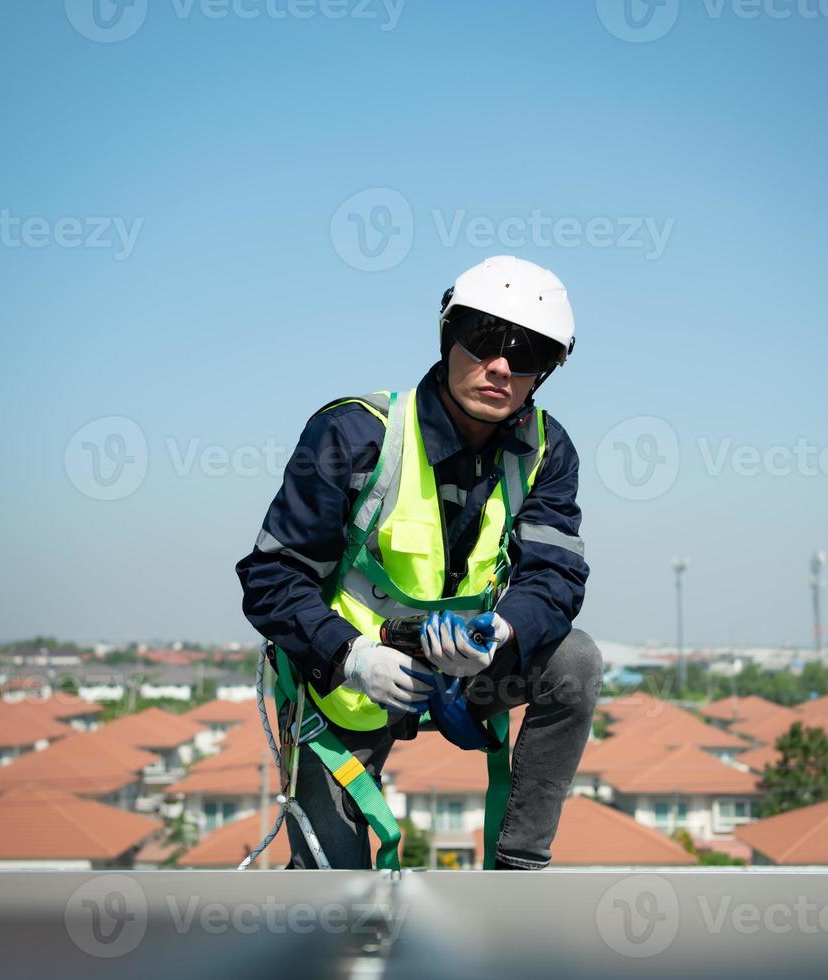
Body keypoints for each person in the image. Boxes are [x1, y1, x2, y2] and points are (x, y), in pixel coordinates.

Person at [235, 255, 601, 870]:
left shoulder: (544, 448)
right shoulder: (354, 435)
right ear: (447, 334)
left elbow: (554, 575)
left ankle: (519, 870)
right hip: (347, 679)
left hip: (468, 662)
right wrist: (350, 657)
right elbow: (273, 577)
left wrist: (500, 634)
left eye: (531, 351)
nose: (503, 366)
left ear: (547, 370)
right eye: (485, 338)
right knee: (332, 896)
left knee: (575, 662)